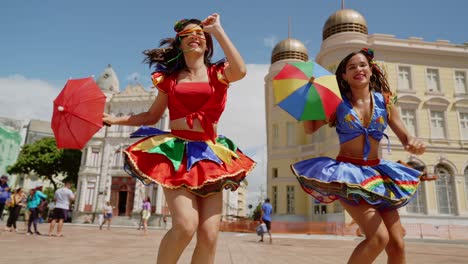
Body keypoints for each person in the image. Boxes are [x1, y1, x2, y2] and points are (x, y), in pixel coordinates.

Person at [103, 13, 255, 264]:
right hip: (176, 154)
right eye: (188, 35)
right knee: (185, 225)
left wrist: (217, 29)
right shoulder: (169, 79)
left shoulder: (219, 73)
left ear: (207, 43)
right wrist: (115, 120)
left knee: (209, 234)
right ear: (180, 43)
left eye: (200, 34)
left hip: (210, 156)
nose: (195, 37)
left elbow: (240, 70)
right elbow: (152, 116)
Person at [291, 48, 426, 263]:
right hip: (349, 176)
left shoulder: (385, 102)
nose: (358, 70)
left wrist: (414, 144)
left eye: (362, 65)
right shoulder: (337, 103)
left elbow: (405, 137)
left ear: (371, 70)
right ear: (344, 75)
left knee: (397, 244)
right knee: (378, 238)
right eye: (351, 67)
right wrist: (311, 100)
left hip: (379, 175)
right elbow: (310, 128)